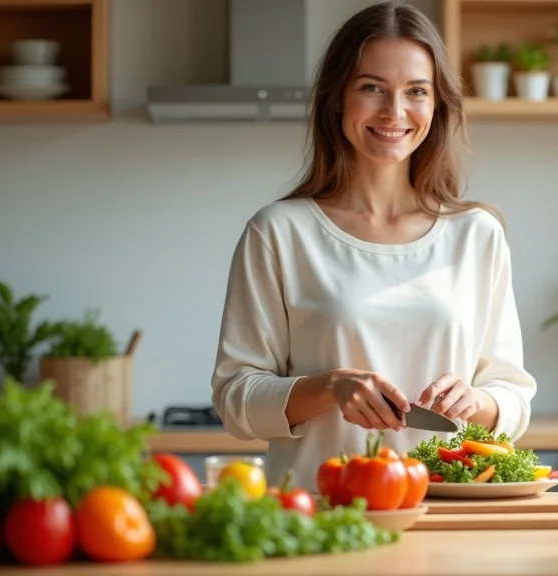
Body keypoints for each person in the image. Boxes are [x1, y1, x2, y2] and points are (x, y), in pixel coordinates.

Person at [209, 0, 537, 491]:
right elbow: (236, 400)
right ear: (337, 98)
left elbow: (513, 395)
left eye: (416, 92)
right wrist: (331, 387)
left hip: (445, 512)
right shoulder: (278, 232)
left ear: (437, 104)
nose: (395, 111)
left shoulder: (477, 234)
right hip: (318, 515)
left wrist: (478, 402)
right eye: (372, 88)